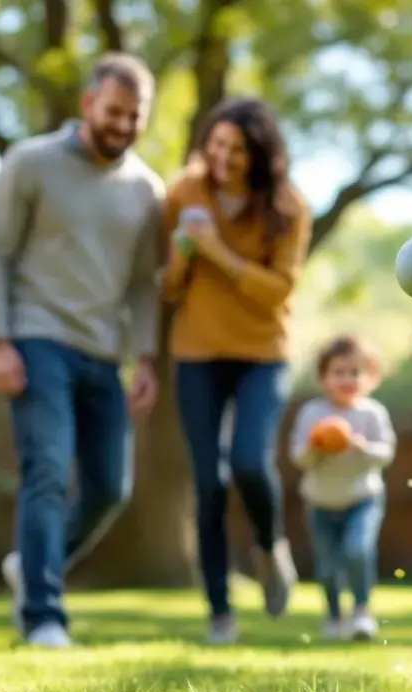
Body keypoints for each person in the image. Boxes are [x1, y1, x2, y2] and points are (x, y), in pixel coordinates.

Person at [0, 52, 165, 648]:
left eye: (135, 116)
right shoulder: (30, 162)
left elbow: (143, 283)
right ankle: (43, 616)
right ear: (88, 104)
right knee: (48, 470)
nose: (123, 125)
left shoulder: (147, 190)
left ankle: (31, 562)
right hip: (37, 338)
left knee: (110, 488)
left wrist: (146, 356)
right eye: (114, 111)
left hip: (104, 352)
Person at [161, 96, 312, 644]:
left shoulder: (288, 207)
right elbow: (169, 287)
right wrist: (184, 253)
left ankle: (270, 549)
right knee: (208, 483)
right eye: (216, 144)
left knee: (250, 461)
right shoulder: (184, 191)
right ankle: (220, 612)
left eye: (238, 149)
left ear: (261, 156)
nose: (222, 157)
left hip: (262, 354)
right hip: (197, 353)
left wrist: (217, 251)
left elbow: (277, 292)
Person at [288, 335, 396, 641]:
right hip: (321, 502)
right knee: (327, 567)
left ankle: (361, 612)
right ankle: (334, 617)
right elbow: (299, 458)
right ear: (323, 377)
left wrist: (361, 446)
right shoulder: (312, 414)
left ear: (370, 378)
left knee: (358, 551)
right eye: (338, 372)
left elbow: (386, 454)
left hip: (363, 499)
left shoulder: (372, 413)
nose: (347, 379)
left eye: (355, 372)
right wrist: (315, 447)